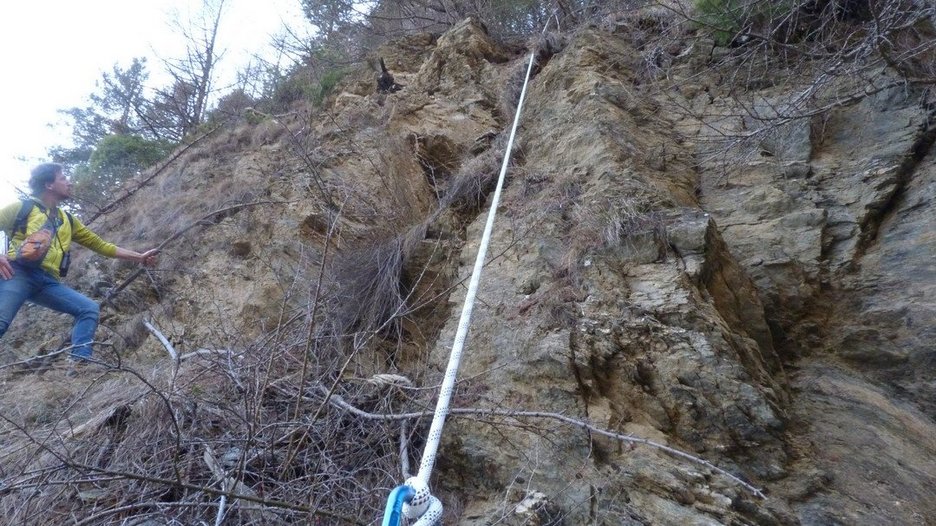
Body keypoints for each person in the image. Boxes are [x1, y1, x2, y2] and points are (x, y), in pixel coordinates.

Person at [0, 162, 159, 363]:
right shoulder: (22, 207)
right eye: (63, 178)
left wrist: (139, 257)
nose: (70, 182)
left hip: (48, 281)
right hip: (16, 273)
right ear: (49, 185)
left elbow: (100, 245)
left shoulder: (67, 219)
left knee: (88, 309)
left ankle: (80, 366)